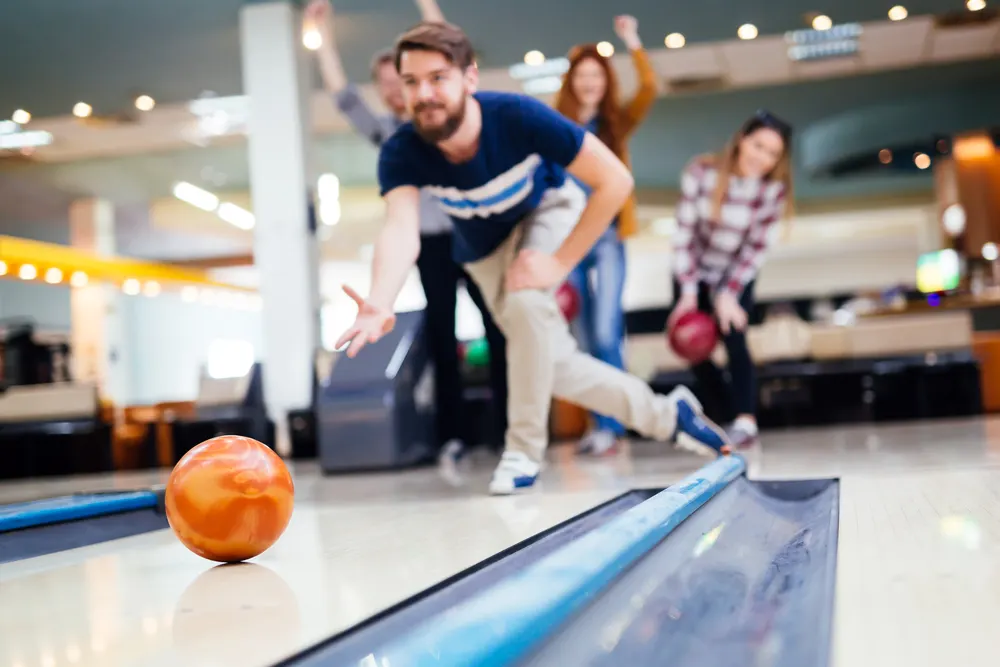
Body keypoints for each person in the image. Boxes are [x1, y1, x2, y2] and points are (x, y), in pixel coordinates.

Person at [335, 20, 731, 495]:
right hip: (482, 250)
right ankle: (670, 415)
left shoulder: (517, 116)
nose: (424, 94)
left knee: (525, 305)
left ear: (470, 78)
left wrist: (560, 263)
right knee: (551, 361)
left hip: (545, 212)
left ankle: (522, 451)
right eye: (412, 82)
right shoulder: (403, 150)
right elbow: (401, 228)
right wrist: (381, 300)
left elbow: (615, 182)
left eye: (438, 77)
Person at [303, 0, 508, 467]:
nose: (396, 89)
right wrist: (323, 37)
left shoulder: (449, 116)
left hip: (471, 234)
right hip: (430, 244)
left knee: (498, 328)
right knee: (442, 336)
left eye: (403, 79)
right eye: (388, 84)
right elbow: (341, 96)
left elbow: (444, 47)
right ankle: (454, 436)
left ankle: (505, 431)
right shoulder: (390, 137)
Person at [554, 15, 657, 456]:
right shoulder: (557, 125)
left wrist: (633, 41)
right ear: (572, 82)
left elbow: (649, 89)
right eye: (583, 76)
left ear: (605, 80)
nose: (590, 83)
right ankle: (602, 426)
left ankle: (615, 425)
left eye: (597, 75)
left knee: (606, 330)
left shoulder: (616, 124)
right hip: (570, 243)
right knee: (580, 335)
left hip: (609, 239)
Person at [668, 109, 793, 450]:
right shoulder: (701, 173)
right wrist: (688, 293)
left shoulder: (772, 191)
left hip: (735, 274)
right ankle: (722, 419)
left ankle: (744, 421)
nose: (763, 158)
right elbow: (684, 236)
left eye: (773, 153)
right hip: (692, 269)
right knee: (692, 347)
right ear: (742, 140)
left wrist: (729, 295)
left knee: (735, 338)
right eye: (758, 146)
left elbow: (755, 249)